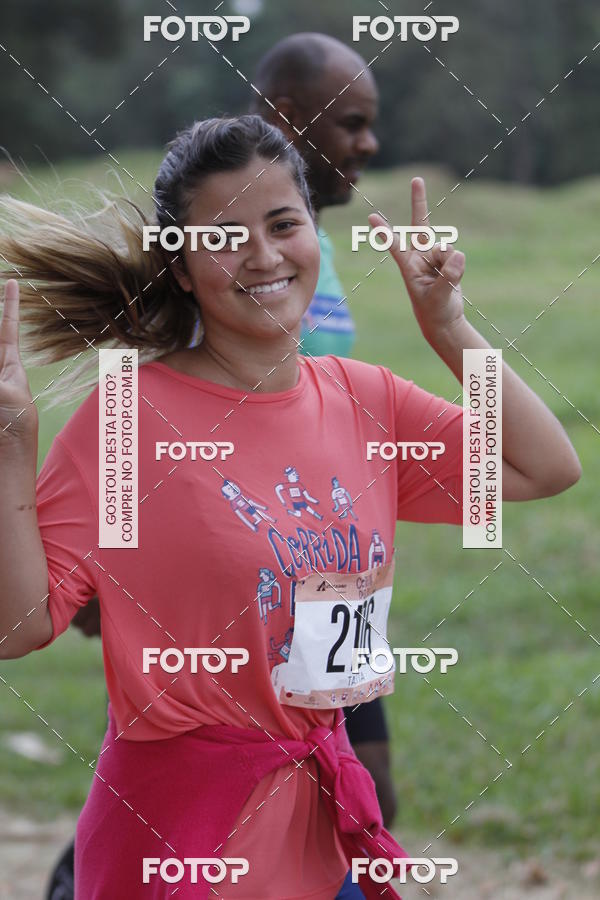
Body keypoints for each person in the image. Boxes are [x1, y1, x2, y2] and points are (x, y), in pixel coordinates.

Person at [0, 115, 581, 899]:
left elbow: (544, 467)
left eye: (282, 224)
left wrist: (448, 328)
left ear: (315, 234)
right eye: (224, 237)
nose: (265, 256)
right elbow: (18, 626)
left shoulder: (366, 401)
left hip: (321, 830)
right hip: (184, 844)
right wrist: (10, 451)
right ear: (181, 268)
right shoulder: (131, 420)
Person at [250, 32, 403, 827]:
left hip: (333, 582)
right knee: (231, 801)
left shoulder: (316, 249)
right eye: (352, 123)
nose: (369, 143)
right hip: (245, 582)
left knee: (364, 803)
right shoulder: (224, 253)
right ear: (287, 116)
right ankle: (86, 876)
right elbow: (141, 392)